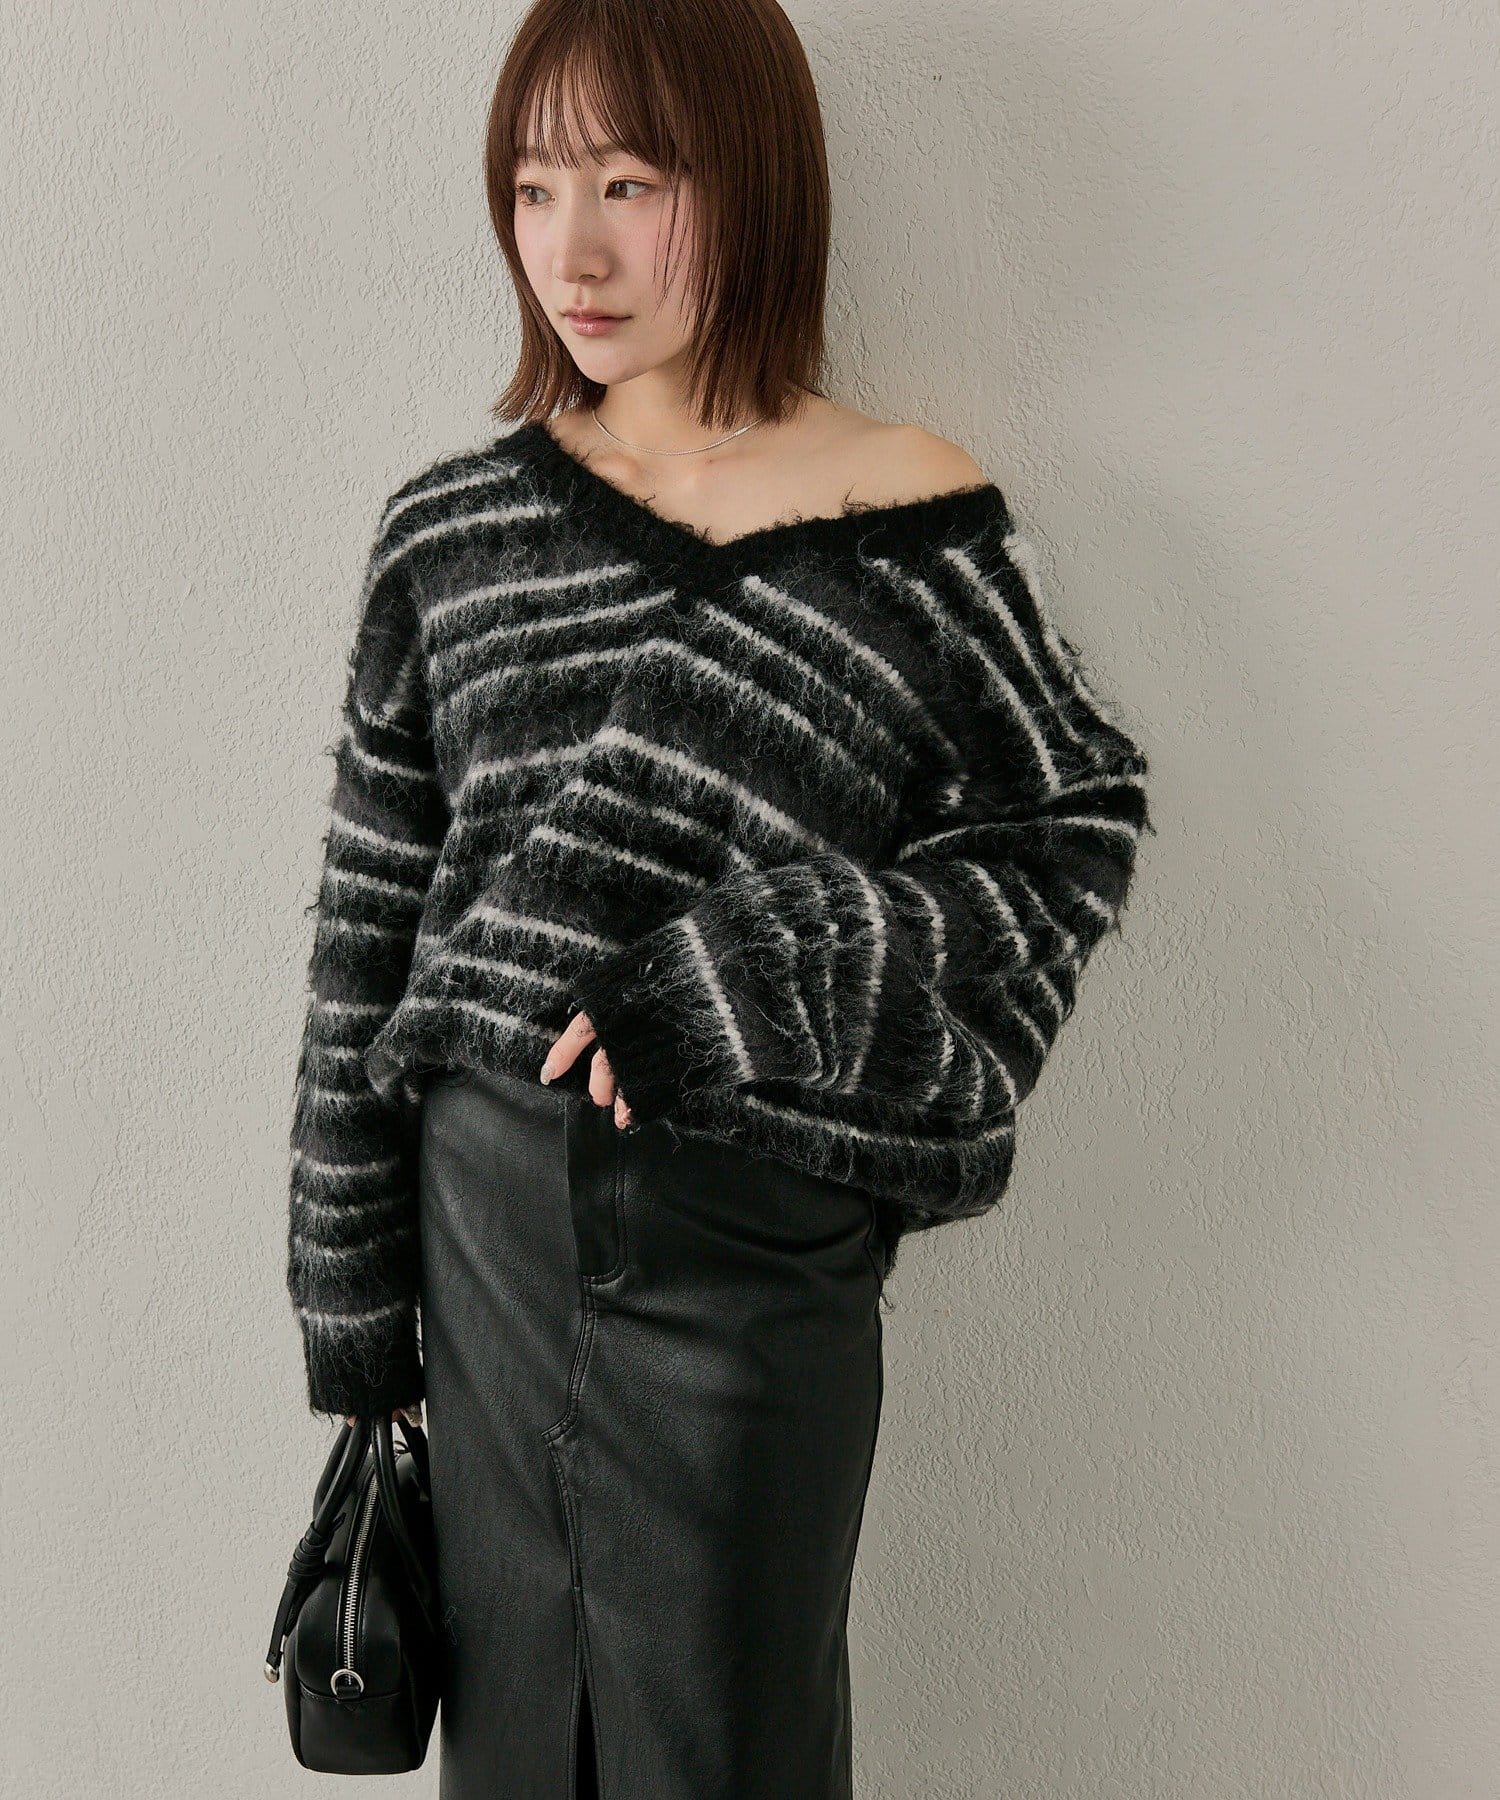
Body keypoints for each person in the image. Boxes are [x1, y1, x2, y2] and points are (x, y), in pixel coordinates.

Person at [286, 0, 1153, 1792]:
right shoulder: (450, 534)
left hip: (753, 1248)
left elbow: (1064, 835)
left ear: (749, 183)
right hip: (489, 1241)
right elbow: (368, 929)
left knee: (729, 1742)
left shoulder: (910, 513)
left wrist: (762, 966)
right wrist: (354, 1321)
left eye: (631, 182)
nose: (573, 252)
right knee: (521, 1747)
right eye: (535, 188)